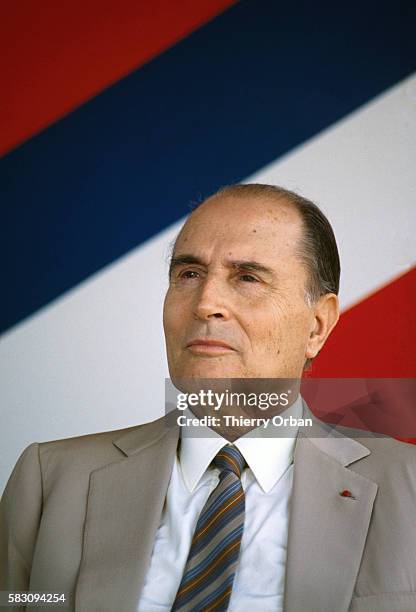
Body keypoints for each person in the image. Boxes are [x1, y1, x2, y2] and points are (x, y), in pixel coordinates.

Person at [1, 184, 415, 612]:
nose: (206, 303)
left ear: (317, 326)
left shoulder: (409, 488)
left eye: (248, 277)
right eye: (189, 275)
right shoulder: (49, 480)